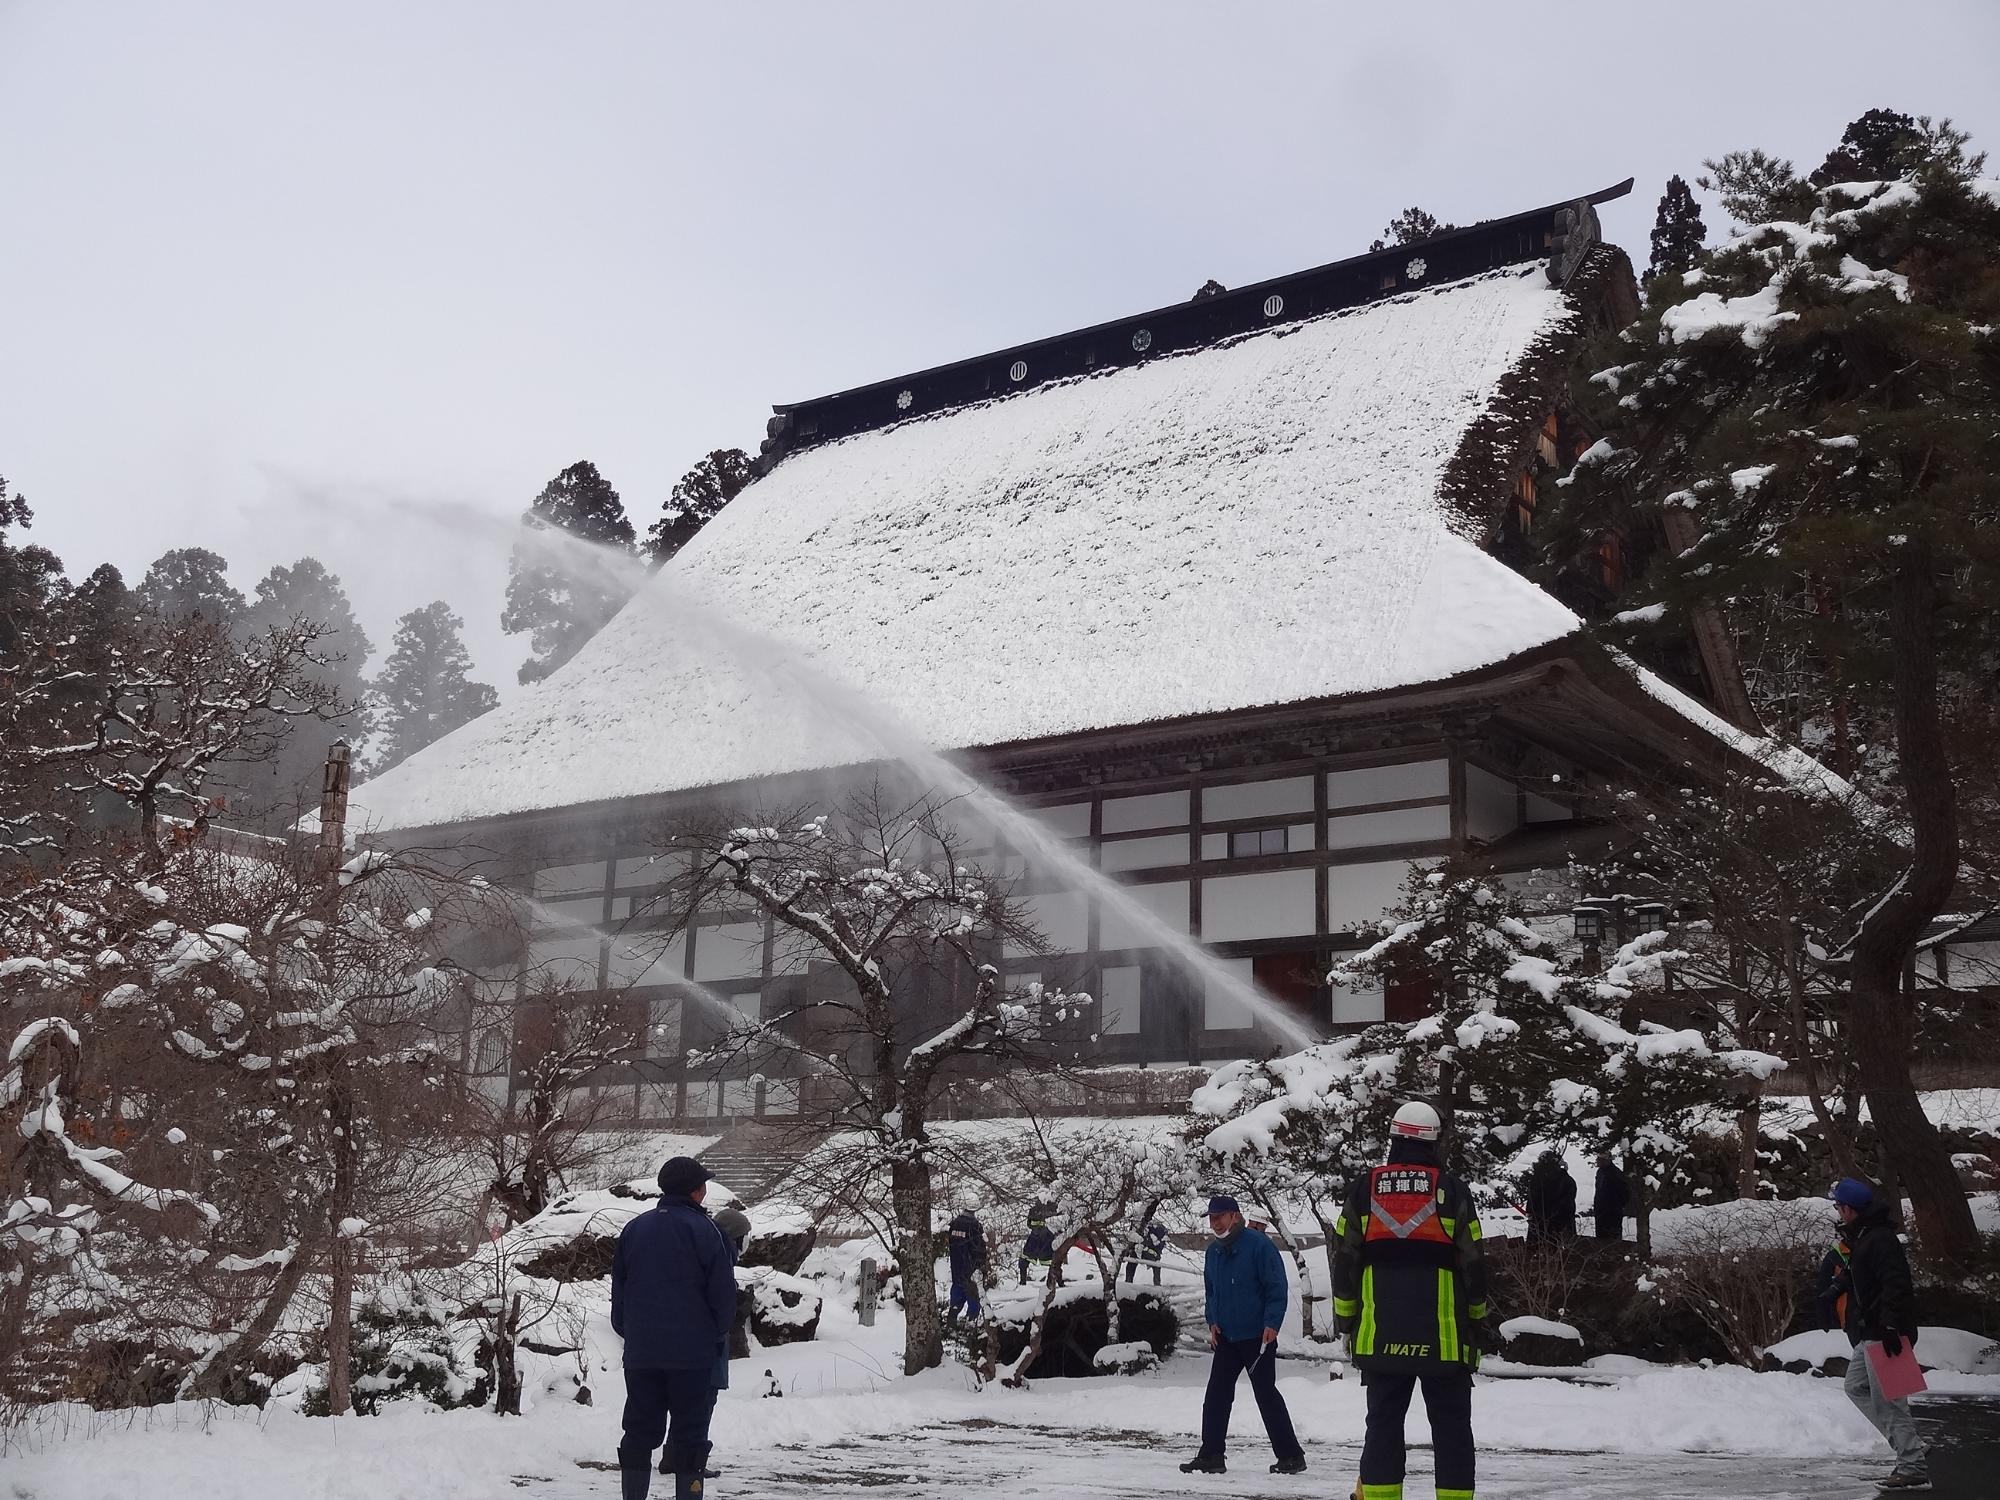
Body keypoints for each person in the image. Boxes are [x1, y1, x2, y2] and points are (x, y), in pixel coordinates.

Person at [1332, 1101, 1492, 1500]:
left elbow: (1345, 1261)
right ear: (1434, 1141)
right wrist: (1476, 1319)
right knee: (1452, 1430)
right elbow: (1474, 1263)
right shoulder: (1452, 1191)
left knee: (1383, 1427)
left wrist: (1347, 1321)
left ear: (1395, 1138)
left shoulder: (1365, 1190)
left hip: (1380, 1336)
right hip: (1445, 1340)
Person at [612, 1155, 738, 1500]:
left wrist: (632, 1333)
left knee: (638, 1430)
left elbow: (619, 1290)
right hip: (692, 1355)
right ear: (697, 1191)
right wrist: (716, 1333)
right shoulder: (706, 1230)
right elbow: (723, 1294)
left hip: (641, 1355)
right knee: (689, 1435)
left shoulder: (635, 1228)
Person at [1178, 1194, 1306, 1476]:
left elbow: (1276, 1287)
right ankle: (1212, 1455)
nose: (1214, 1223)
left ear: (1235, 1216)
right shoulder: (1213, 1252)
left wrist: (1272, 1323)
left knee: (1266, 1394)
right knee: (1216, 1396)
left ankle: (1291, 1456)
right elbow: (1211, 1291)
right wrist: (1212, 1321)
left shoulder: (1260, 1246)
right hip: (1226, 1337)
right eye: (1211, 1218)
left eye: (1219, 1217)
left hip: (1257, 1336)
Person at [1828, 1178, 1930, 1492]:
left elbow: (1896, 1284)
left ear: (1849, 1208)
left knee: (1890, 1401)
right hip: (1869, 1329)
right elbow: (1868, 1274)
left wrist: (1891, 1327)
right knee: (1855, 1386)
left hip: (1885, 1330)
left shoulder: (1880, 1238)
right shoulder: (1865, 1235)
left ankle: (1912, 1467)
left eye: (1838, 1206)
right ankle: (1909, 1443)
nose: (1837, 1212)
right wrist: (1843, 1282)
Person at [945, 1196, 988, 1324]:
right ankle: (971, 1326)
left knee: (957, 1297)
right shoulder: (975, 1226)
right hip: (971, 1269)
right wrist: (980, 1266)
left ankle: (951, 1323)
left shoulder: (954, 1224)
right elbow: (979, 1249)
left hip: (956, 1267)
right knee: (973, 1297)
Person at [1524, 1148, 1577, 1240]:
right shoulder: (1538, 1179)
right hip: (1545, 1224)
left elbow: (1567, 1203)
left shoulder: (1564, 1180)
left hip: (1556, 1225)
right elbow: (1532, 1197)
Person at [1591, 1151, 1630, 1241]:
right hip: (1600, 1212)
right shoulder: (1600, 1172)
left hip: (1613, 1213)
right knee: (1600, 1239)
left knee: (1613, 1239)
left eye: (1600, 1159)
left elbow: (1625, 1192)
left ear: (1606, 1160)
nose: (1597, 1161)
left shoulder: (1615, 1173)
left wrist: (1617, 1206)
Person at [1019, 1199, 1057, 1285]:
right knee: (1054, 1262)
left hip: (1040, 1239)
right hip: (1042, 1239)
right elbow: (1029, 1224)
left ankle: (1023, 1282)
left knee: (1053, 1262)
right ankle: (1054, 1282)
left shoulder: (1035, 1210)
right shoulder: (1053, 1209)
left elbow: (1029, 1224)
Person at [1126, 1213, 1168, 1286]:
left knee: (1156, 1265)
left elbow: (1159, 1244)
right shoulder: (1137, 1228)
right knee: (1131, 1263)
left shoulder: (1155, 1228)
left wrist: (1152, 1251)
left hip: (1151, 1253)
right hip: (1139, 1252)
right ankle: (1128, 1284)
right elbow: (1131, 1240)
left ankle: (1157, 1286)